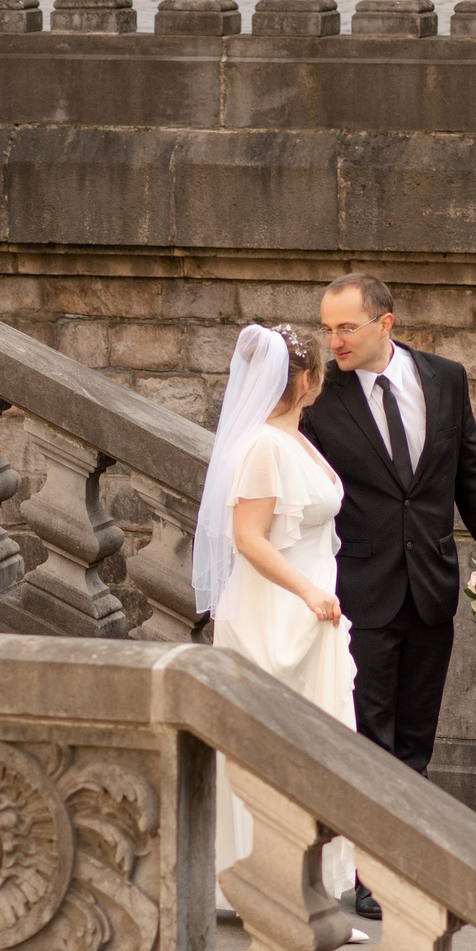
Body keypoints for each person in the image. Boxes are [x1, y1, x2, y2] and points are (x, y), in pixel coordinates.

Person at [301, 273, 476, 920]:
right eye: (327, 327)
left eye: (346, 328)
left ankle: (411, 857)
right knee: (369, 733)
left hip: (432, 590)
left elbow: (470, 470)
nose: (333, 340)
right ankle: (369, 870)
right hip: (358, 593)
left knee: (415, 739)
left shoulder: (445, 379)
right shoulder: (316, 396)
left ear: (384, 323)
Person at [195, 323, 358, 898]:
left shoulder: (294, 438)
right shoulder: (265, 446)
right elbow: (249, 537)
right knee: (278, 747)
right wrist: (307, 592)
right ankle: (271, 886)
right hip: (277, 610)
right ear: (309, 380)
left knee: (320, 742)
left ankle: (306, 885)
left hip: (312, 609)